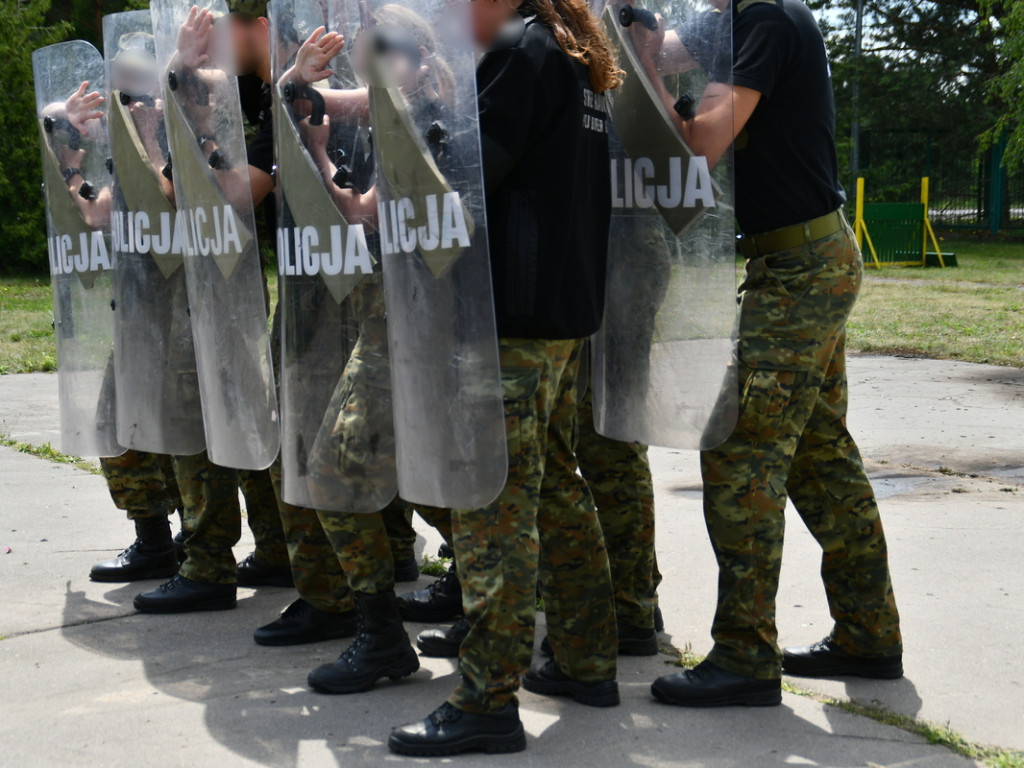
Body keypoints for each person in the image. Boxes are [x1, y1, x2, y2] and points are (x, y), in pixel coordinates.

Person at [627, 0, 903, 707]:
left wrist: (654, 86)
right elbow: (660, 52)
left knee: (739, 448)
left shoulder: (767, 19)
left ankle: (746, 656)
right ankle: (869, 635)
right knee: (819, 455)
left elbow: (703, 144)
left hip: (800, 268)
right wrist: (633, 44)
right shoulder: (731, 21)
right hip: (803, 259)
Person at [388, 0, 622, 755]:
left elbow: (468, 174)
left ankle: (487, 698)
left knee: (496, 508)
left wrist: (410, 121)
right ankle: (587, 659)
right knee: (555, 488)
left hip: (515, 319)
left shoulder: (523, 52)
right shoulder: (572, 51)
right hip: (560, 311)